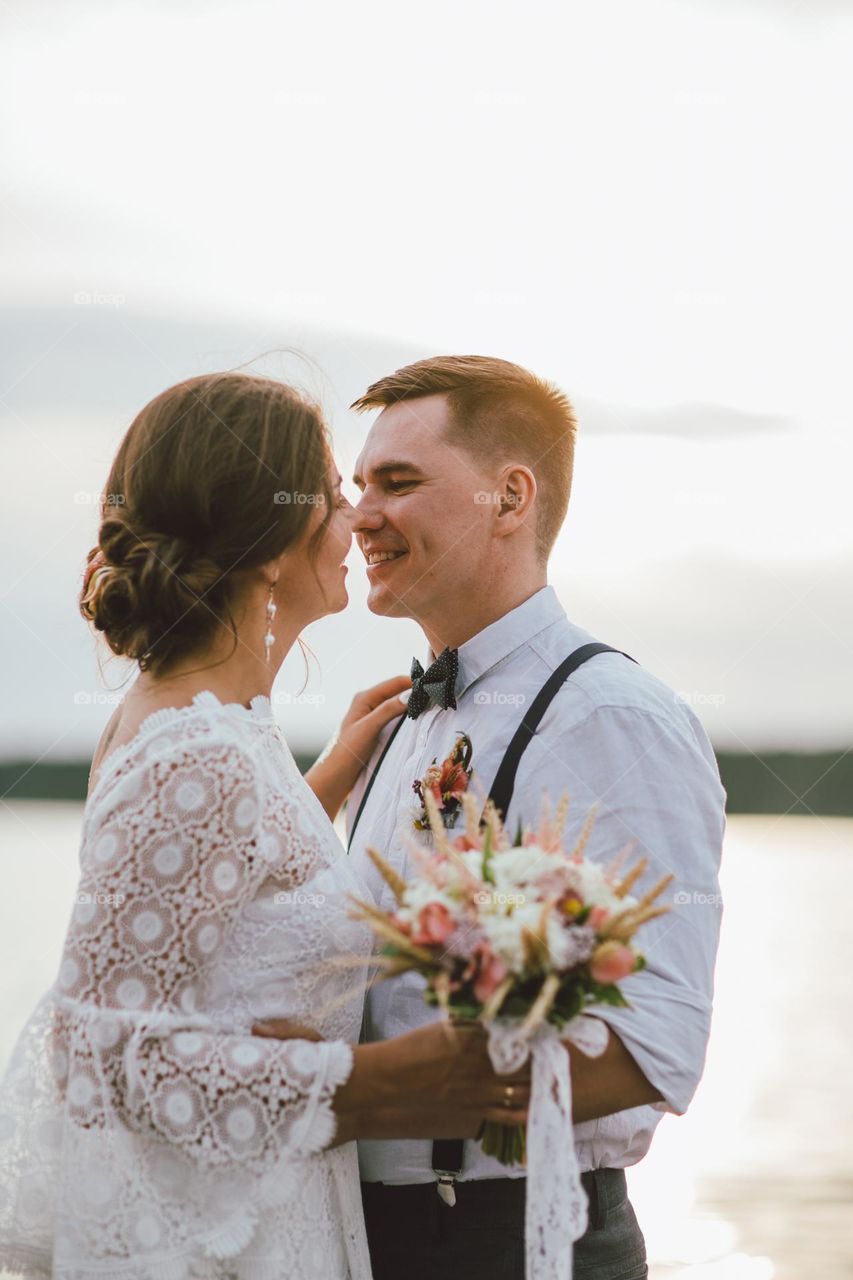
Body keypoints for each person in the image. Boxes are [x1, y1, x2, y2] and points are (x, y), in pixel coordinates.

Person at [0, 371, 530, 1280]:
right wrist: (374, 1084)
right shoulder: (199, 757)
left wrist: (315, 789)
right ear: (272, 547)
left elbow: (223, 924)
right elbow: (101, 1053)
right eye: (331, 496)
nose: (358, 519)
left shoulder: (205, 734)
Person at [345, 355, 727, 1280]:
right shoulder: (390, 724)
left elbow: (653, 1044)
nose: (361, 515)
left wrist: (338, 1101)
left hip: (512, 1241)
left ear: (508, 499)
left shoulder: (610, 715)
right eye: (358, 487)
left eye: (398, 483)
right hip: (361, 1238)